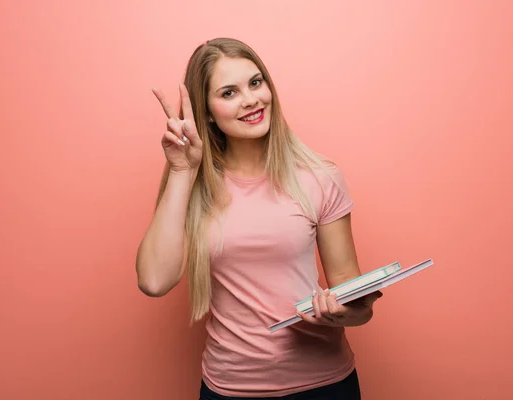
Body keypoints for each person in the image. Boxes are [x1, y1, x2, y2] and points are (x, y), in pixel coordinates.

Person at [136, 37, 382, 400]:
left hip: (325, 384)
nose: (251, 100)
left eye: (255, 83)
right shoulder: (192, 184)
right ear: (205, 112)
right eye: (228, 93)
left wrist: (344, 312)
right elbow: (154, 281)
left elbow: (355, 301)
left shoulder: (319, 176)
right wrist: (182, 172)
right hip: (231, 388)